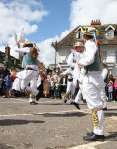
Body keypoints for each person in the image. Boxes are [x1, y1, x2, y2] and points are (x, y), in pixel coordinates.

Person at [77, 30, 105, 141]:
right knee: (96, 105)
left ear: (84, 36)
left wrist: (80, 62)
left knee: (95, 106)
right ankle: (97, 130)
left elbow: (89, 59)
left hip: (91, 78)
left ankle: (98, 132)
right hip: (94, 77)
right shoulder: (92, 44)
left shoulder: (89, 43)